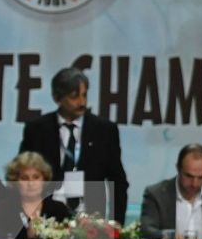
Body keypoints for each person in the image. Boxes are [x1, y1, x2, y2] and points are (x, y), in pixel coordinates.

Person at [17, 67, 129, 223]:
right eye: (74, 97)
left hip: (91, 221)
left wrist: (116, 226)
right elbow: (22, 176)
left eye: (84, 95)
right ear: (57, 98)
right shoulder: (37, 130)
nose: (82, 102)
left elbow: (118, 182)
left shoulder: (104, 130)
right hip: (46, 217)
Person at [140, 145, 202, 239]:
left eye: (201, 177)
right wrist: (170, 237)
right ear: (178, 168)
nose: (195, 184)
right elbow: (146, 230)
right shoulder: (156, 194)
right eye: (189, 176)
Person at [0, 151, 69, 239]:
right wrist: (25, 235)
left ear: (44, 180)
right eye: (24, 178)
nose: (31, 183)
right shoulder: (3, 210)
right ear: (15, 182)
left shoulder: (59, 209)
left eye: (36, 177)